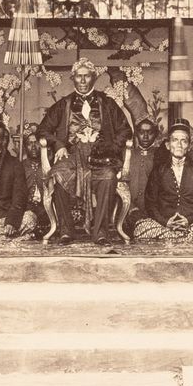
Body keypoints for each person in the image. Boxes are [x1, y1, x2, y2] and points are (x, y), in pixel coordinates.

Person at [36, 57, 132, 245]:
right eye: (78, 77)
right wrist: (59, 145)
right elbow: (43, 130)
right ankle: (65, 230)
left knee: (108, 177)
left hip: (101, 157)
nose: (82, 81)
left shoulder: (108, 103)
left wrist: (109, 147)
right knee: (57, 175)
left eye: (86, 76)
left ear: (93, 78)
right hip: (71, 156)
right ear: (72, 79)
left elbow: (125, 130)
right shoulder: (64, 104)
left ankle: (101, 233)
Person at [133, 121, 193, 240]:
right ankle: (183, 238)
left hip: (191, 224)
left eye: (184, 141)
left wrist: (189, 219)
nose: (179, 145)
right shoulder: (159, 170)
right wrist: (165, 222)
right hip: (165, 225)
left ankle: (175, 238)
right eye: (175, 140)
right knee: (140, 228)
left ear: (188, 147)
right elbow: (150, 204)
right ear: (168, 145)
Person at [126, 117, 160, 221]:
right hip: (130, 211)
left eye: (149, 132)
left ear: (155, 134)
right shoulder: (128, 155)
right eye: (141, 132)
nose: (145, 137)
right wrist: (131, 207)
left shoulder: (160, 155)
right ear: (136, 134)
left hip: (154, 212)